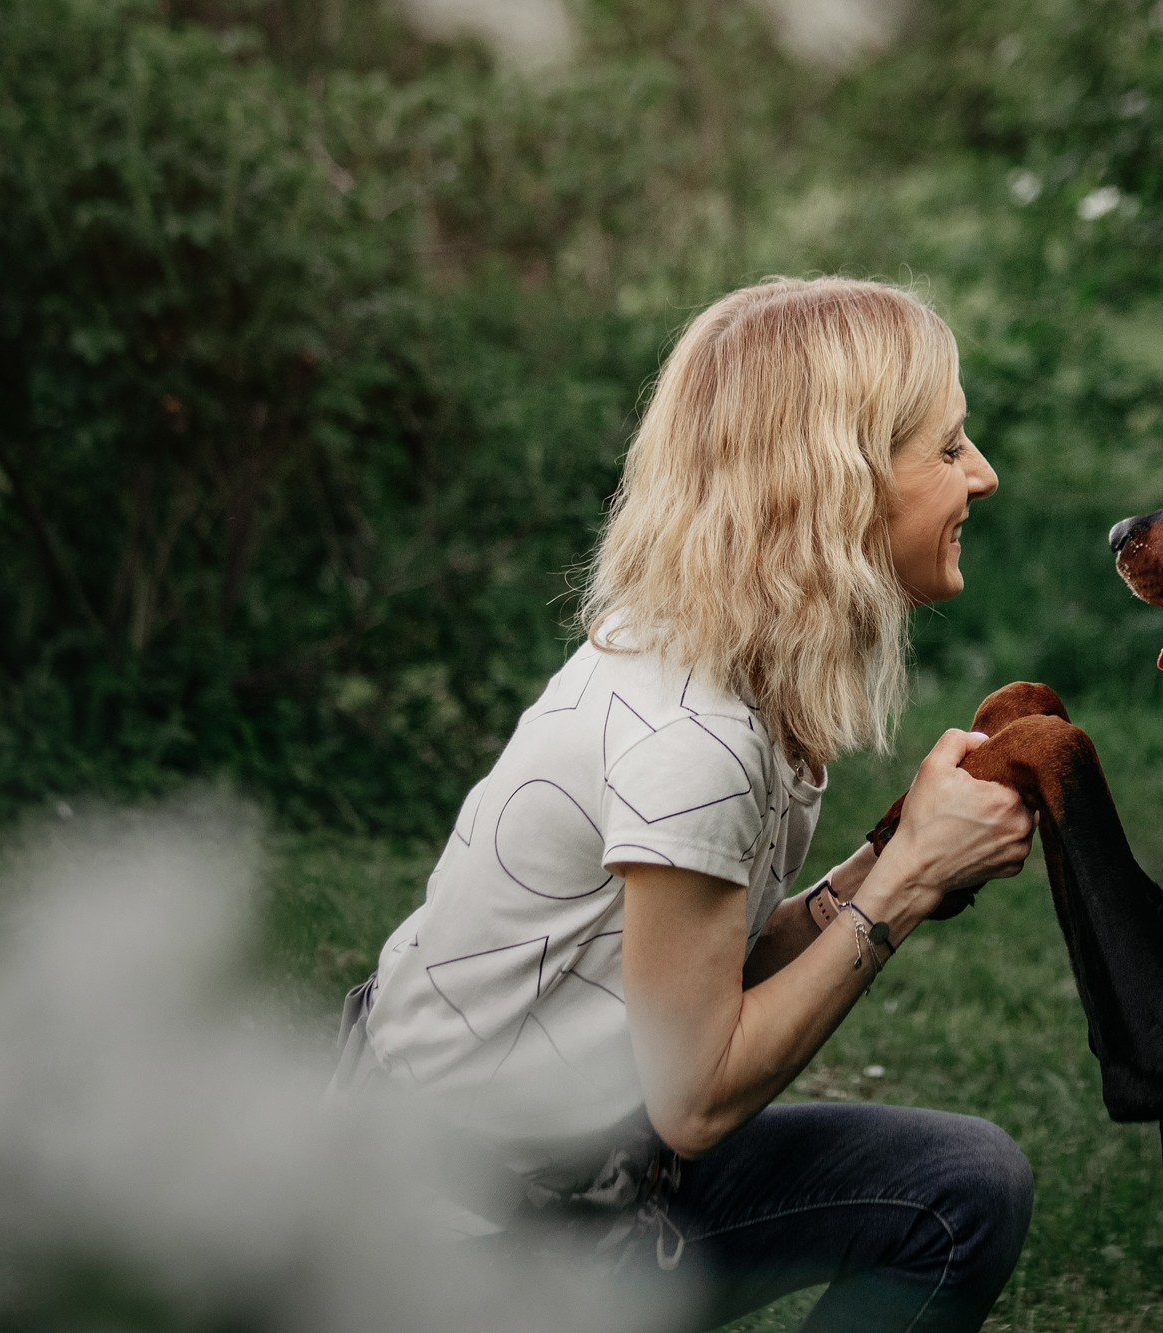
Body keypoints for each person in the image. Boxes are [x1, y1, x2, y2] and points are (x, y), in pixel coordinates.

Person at [341, 276, 1038, 1331]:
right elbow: (698, 1093)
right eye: (947, 448)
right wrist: (906, 882)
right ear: (836, 482)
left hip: (596, 1179)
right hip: (461, 1242)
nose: (980, 475)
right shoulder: (692, 738)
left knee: (961, 1184)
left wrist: (881, 854)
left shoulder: (726, 667)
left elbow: (698, 977)